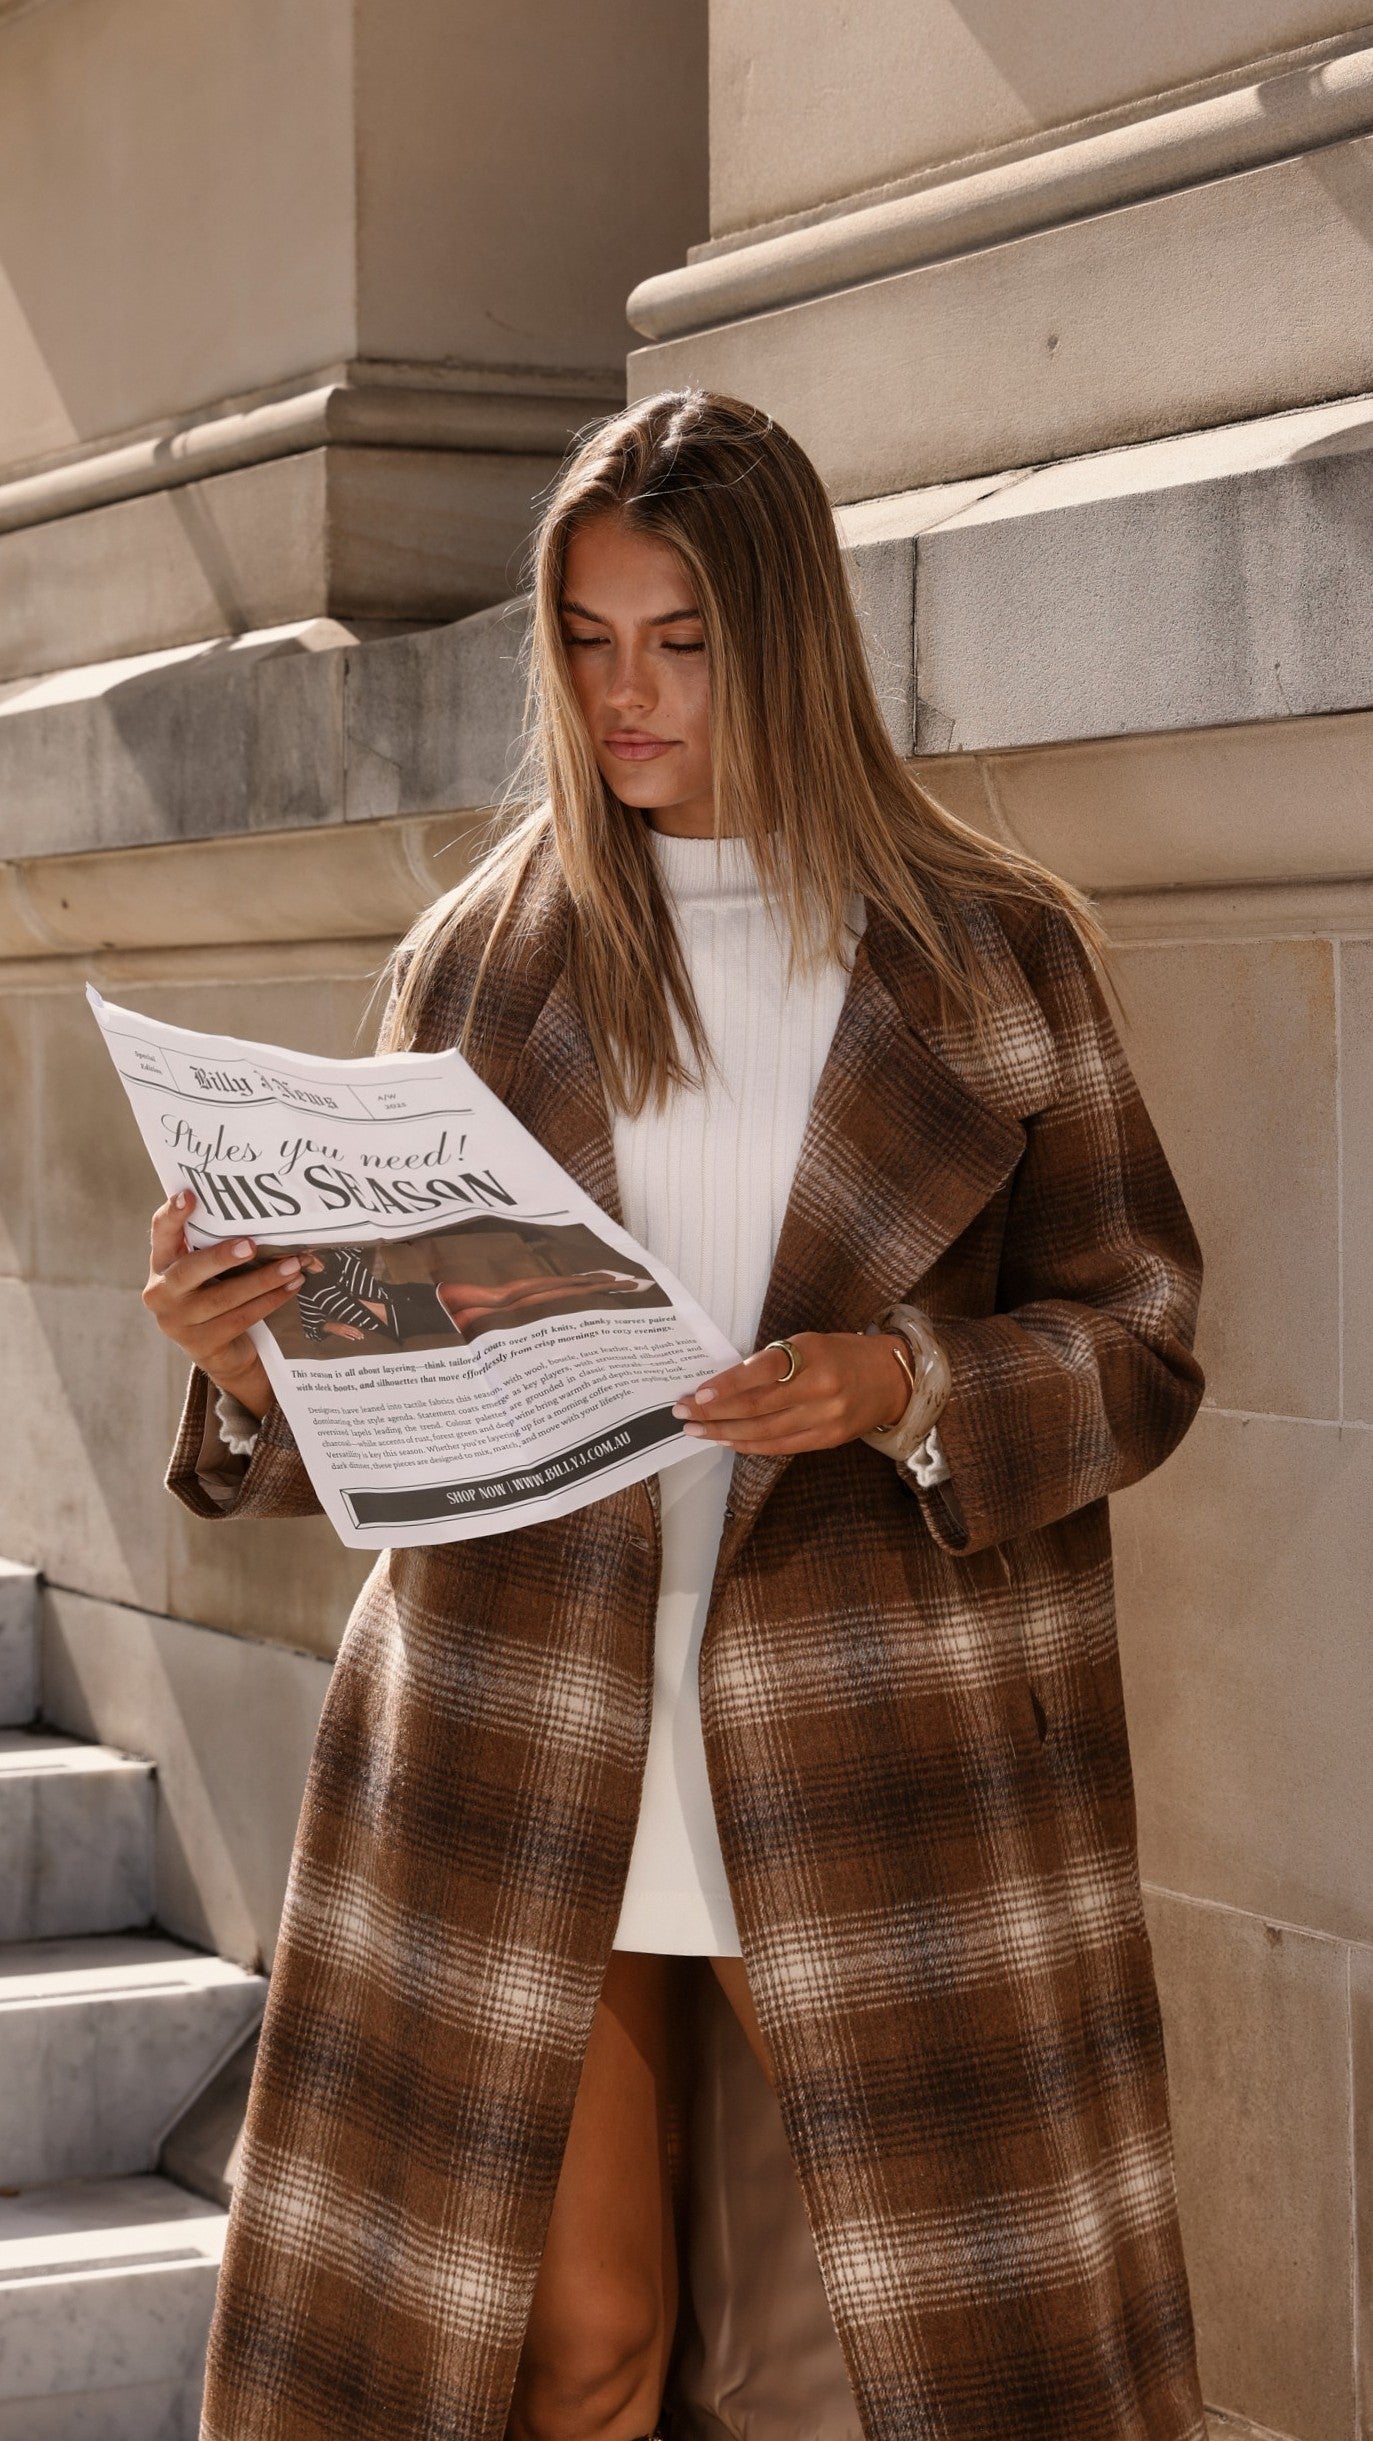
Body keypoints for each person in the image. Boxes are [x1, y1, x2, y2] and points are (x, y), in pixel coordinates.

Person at [141, 389, 1208, 2441]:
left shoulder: (992, 957)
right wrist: (252, 1364)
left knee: (869, 2377)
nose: (623, 695)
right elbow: (395, 1383)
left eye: (682, 641)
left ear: (784, 639)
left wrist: (904, 1383)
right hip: (526, 1731)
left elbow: (1142, 1340)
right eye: (586, 639)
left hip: (871, 1748)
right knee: (575, 2352)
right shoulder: (478, 964)